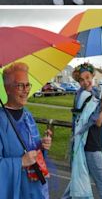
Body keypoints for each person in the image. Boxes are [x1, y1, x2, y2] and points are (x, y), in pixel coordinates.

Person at [0, 62, 52, 198]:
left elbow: (32, 150)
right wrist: (20, 162)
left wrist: (41, 145)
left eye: (27, 84)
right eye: (20, 85)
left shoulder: (28, 115)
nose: (26, 90)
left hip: (34, 191)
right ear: (7, 89)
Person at [62, 63, 102, 199]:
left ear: (92, 76)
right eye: (81, 80)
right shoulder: (85, 96)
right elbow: (98, 121)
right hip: (91, 147)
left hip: (87, 145)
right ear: (78, 82)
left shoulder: (92, 94)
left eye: (87, 77)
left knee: (76, 184)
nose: (85, 82)